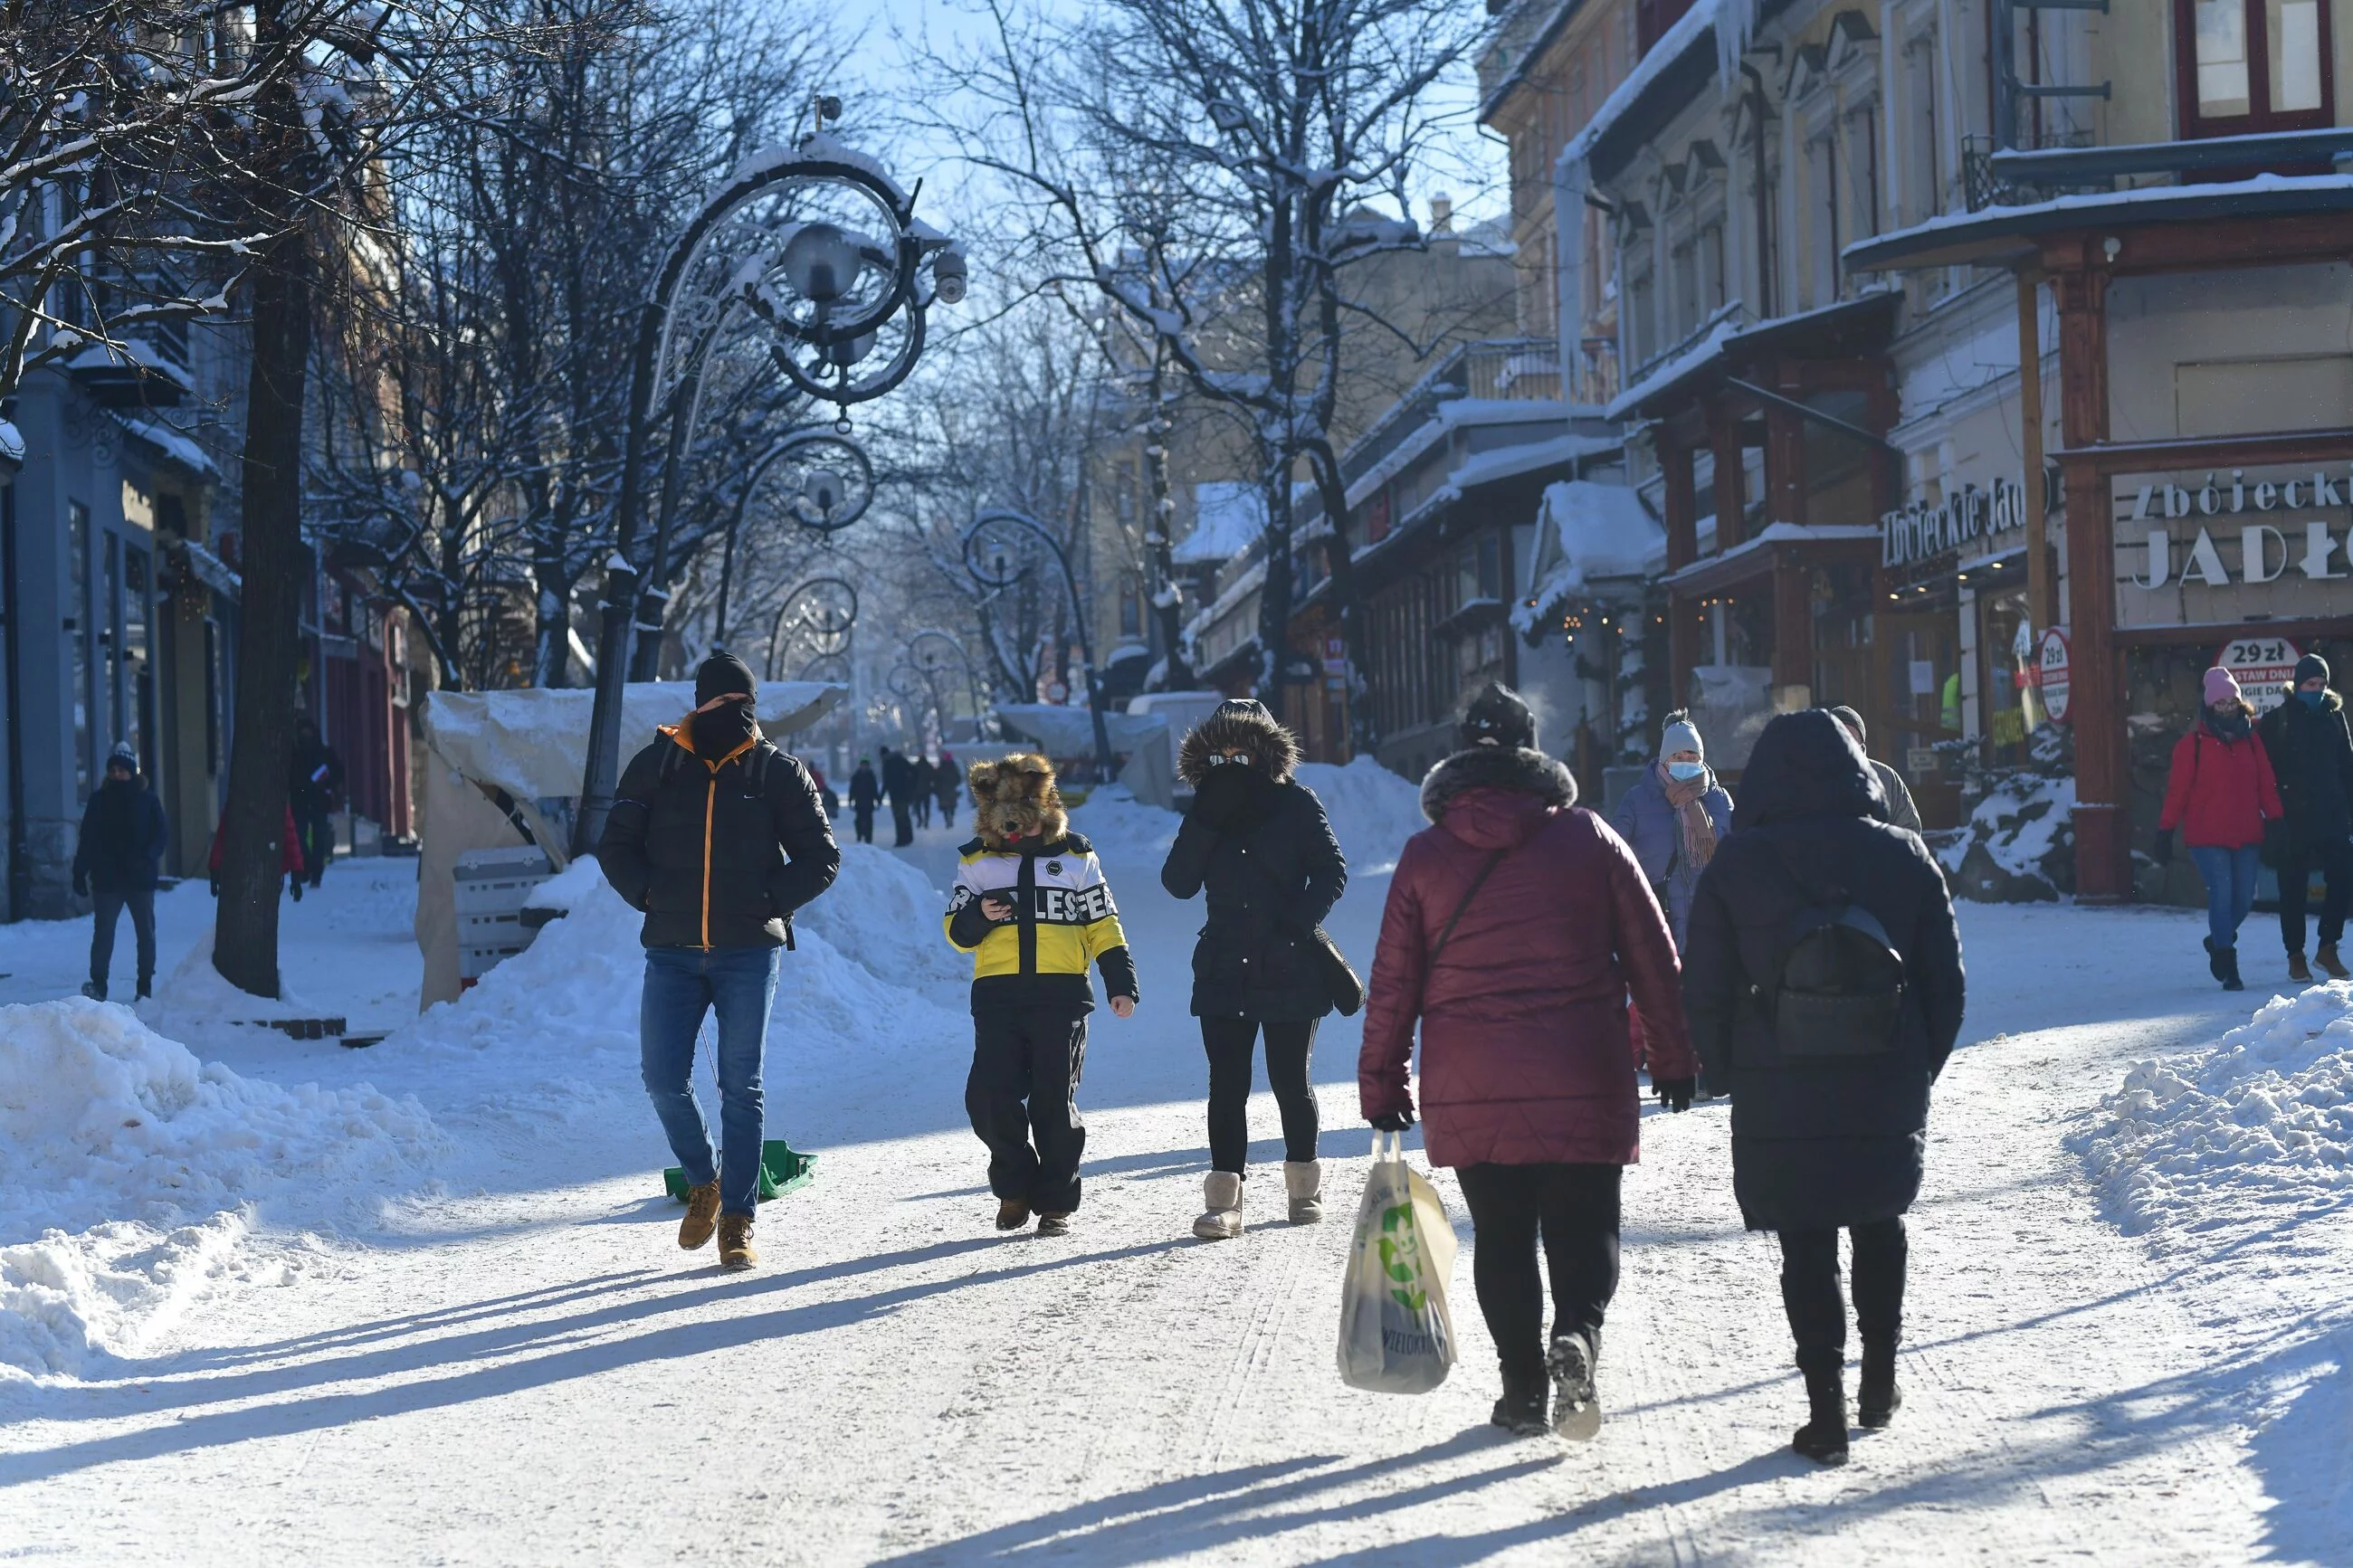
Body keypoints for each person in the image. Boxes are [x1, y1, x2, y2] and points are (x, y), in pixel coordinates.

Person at [1359, 681, 1696, 1440]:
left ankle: (1520, 1392)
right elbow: (1654, 955)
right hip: (1582, 1070)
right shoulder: (1590, 838)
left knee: (1504, 1239)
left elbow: (1392, 985)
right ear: (1532, 749)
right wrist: (1673, 1056)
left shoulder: (1422, 857)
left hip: (1471, 1081)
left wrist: (1383, 1082)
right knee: (1584, 1230)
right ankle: (1576, 1335)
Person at [1681, 709, 1966, 1467]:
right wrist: (1915, 1068)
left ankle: (1825, 1412)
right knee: (1880, 1222)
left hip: (1781, 1086)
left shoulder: (1736, 865)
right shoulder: (1905, 856)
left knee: (1805, 1245)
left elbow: (1703, 986)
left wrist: (1729, 1072)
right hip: (1885, 1077)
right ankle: (1880, 1380)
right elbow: (1946, 985)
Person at [597, 652, 839, 1272]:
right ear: (700, 703)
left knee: (742, 1085)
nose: (737, 715)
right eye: (725, 703)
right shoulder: (659, 764)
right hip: (672, 953)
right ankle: (703, 1178)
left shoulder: (776, 771)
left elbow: (822, 856)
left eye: (745, 705)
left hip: (748, 954)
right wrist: (648, 894)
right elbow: (614, 844)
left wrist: (769, 900)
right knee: (662, 1077)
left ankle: (738, 1218)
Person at [1161, 699, 1347, 1240]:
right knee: (1227, 1085)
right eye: (1221, 753)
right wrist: (1204, 819)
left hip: (1289, 965)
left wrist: (1296, 926)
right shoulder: (1205, 809)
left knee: (1291, 1080)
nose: (1232, 762)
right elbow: (1177, 883)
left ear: (1264, 752)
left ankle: (1303, 1189)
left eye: (1242, 751)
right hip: (1223, 965)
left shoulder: (1296, 804)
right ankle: (1224, 1202)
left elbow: (1331, 872)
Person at [945, 752, 1138, 1237]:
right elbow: (954, 929)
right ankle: (1015, 1188)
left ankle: (1054, 1202)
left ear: (1045, 808)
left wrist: (1120, 981)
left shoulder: (1077, 857)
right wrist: (978, 917)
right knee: (989, 1098)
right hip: (998, 997)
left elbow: (1103, 924)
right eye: (1007, 819)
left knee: (1053, 1102)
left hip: (1061, 997)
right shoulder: (977, 861)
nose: (1017, 828)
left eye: (1027, 815)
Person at [2157, 666, 2282, 992]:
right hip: (2207, 836)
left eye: (2231, 701)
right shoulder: (2192, 745)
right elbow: (2177, 792)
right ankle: (2228, 963)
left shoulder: (2252, 741)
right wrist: (2165, 830)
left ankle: (2218, 938)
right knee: (2223, 893)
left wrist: (2276, 819)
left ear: (2240, 702)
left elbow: (2266, 784)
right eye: (2220, 702)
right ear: (2209, 705)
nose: (2227, 707)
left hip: (2247, 833)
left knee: (2243, 899)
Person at [2258, 654, 2353, 982]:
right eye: (2311, 684)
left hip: (2333, 814)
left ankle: (2328, 947)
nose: (2317, 690)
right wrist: (2273, 813)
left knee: (2341, 879)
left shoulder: (2335, 718)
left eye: (2322, 684)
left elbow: (2347, 767)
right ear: (2297, 684)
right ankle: (2295, 954)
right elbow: (2263, 772)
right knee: (2293, 887)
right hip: (2293, 819)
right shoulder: (2278, 720)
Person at [1609, 710, 1733, 949]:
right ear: (1665, 759)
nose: (1685, 760)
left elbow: (1737, 858)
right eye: (1677, 755)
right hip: (1658, 931)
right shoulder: (1638, 801)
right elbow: (1611, 853)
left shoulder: (1719, 800)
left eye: (1691, 754)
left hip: (1713, 931)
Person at [72, 742, 169, 1002]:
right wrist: (79, 871)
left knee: (145, 933)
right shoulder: (99, 800)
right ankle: (98, 984)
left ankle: (144, 986)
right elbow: (88, 838)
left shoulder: (147, 800)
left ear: (132, 772)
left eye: (122, 770)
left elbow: (160, 834)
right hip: (107, 879)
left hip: (139, 878)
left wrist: (147, 858)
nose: (117, 774)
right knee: (103, 933)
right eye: (113, 770)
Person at [1829, 706, 1923, 833]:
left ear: (1861, 744)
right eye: (1839, 735)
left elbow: (1908, 829)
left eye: (1851, 738)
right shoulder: (1809, 777)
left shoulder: (1886, 778)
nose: (1845, 743)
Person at [287, 714, 346, 889]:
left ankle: (316, 873)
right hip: (301, 801)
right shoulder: (294, 753)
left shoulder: (324, 753)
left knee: (319, 839)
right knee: (299, 836)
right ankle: (306, 866)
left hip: (319, 801)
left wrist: (327, 785)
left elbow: (338, 773)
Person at [208, 802, 307, 902]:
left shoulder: (239, 800)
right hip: (266, 869)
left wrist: (215, 868)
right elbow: (290, 838)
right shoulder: (276, 801)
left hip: (244, 869)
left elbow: (223, 836)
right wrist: (296, 872)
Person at [881, 746, 916, 847]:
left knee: (899, 817)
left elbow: (886, 782)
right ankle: (908, 837)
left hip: (896, 794)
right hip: (905, 793)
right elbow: (914, 771)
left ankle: (901, 839)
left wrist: (880, 796)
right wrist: (911, 786)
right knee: (904, 815)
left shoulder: (887, 763)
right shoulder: (900, 760)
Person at [849, 757, 881, 845]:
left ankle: (868, 838)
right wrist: (850, 800)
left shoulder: (871, 776)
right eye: (863, 765)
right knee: (858, 820)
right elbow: (852, 789)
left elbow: (874, 789)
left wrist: (878, 800)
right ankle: (859, 835)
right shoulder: (856, 776)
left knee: (869, 820)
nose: (864, 767)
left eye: (866, 766)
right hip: (859, 802)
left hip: (869, 802)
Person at [934, 748, 960, 830]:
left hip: (943, 790)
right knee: (951, 805)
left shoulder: (940, 767)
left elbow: (936, 778)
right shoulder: (953, 766)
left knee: (945, 806)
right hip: (951, 789)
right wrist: (954, 783)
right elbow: (958, 777)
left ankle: (948, 820)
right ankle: (950, 817)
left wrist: (937, 787)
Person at [910, 754, 937, 829]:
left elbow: (912, 779)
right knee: (926, 807)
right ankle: (926, 821)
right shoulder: (928, 766)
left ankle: (920, 819)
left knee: (918, 807)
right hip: (927, 790)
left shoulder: (916, 766)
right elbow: (933, 777)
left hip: (917, 791)